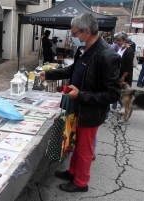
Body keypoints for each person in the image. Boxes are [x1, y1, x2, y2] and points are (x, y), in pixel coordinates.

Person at [39, 13, 121, 192]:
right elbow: (72, 69)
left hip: (90, 112)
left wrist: (81, 95)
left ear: (87, 32)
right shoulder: (83, 49)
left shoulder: (107, 56)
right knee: (77, 144)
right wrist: (50, 74)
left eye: (75, 34)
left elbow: (113, 94)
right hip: (78, 107)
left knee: (85, 149)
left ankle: (81, 183)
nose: (73, 37)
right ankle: (72, 172)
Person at [111, 32, 134, 113]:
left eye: (119, 41)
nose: (118, 42)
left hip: (124, 77)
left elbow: (129, 67)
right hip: (118, 74)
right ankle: (115, 106)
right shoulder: (122, 48)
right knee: (117, 91)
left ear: (124, 40)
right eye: (117, 41)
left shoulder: (129, 51)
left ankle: (125, 108)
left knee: (124, 94)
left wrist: (122, 78)